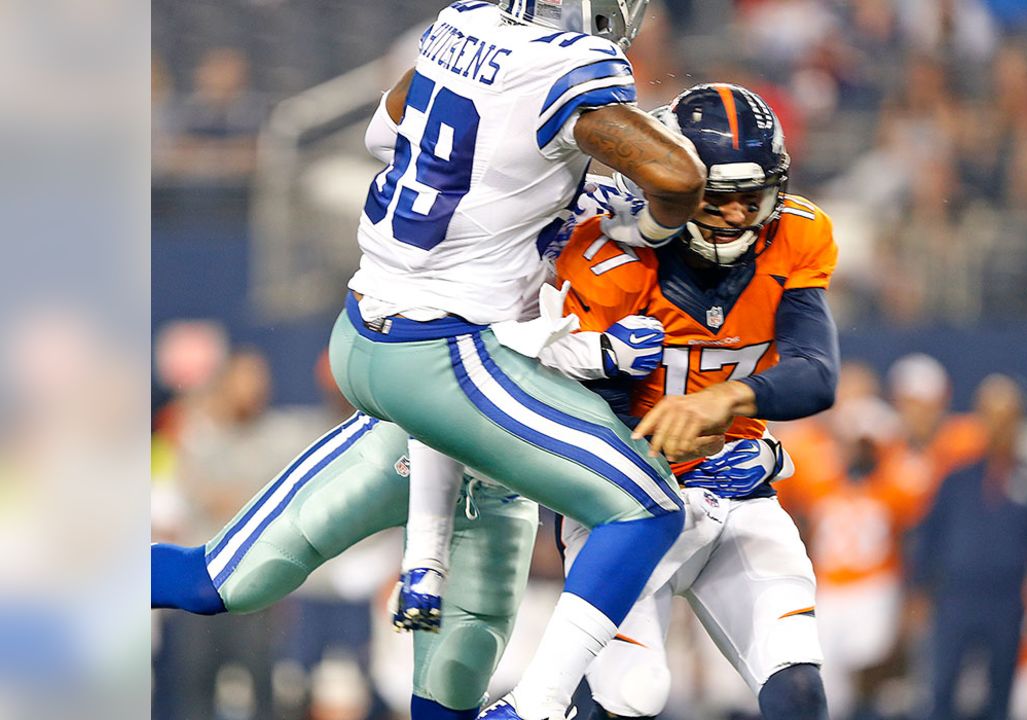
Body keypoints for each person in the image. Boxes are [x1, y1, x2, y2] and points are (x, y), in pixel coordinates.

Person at [161, 2, 707, 719]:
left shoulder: (464, 28)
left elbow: (384, 128)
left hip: (383, 342)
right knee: (646, 507)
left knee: (227, 583)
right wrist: (646, 225)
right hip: (449, 362)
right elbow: (676, 175)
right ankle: (539, 707)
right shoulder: (569, 72)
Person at [553, 83, 840, 720]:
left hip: (735, 492)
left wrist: (728, 408)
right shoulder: (611, 258)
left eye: (753, 197)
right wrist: (653, 435)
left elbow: (816, 373)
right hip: (622, 505)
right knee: (628, 697)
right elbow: (565, 417)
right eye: (719, 197)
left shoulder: (796, 237)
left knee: (798, 691)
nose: (739, 215)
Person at [909, 375, 1027, 720]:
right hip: (955, 597)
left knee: (1000, 690)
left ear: (1019, 421)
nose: (999, 427)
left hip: (1005, 600)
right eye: (991, 416)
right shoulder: (956, 479)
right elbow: (930, 535)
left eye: (1007, 417)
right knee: (942, 687)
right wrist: (918, 589)